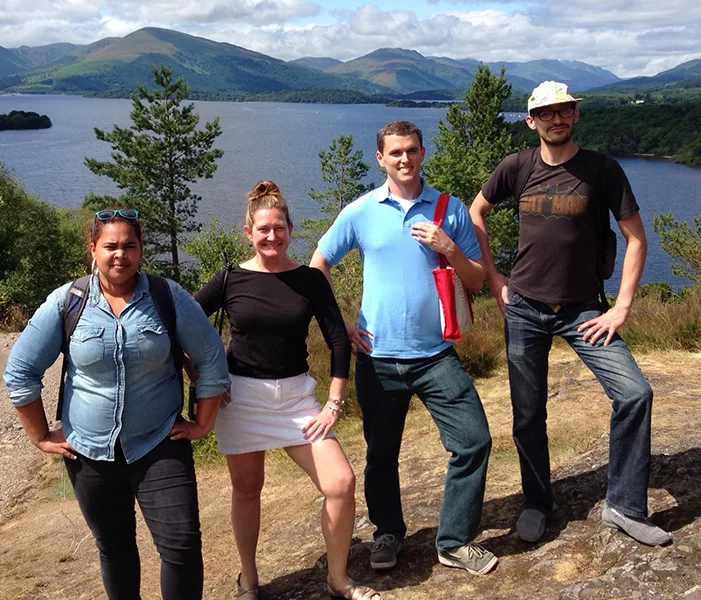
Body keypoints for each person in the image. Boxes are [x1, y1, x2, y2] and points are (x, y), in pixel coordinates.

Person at [468, 81, 670, 546]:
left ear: (575, 116)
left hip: (583, 311)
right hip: (523, 308)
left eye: (565, 111)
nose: (556, 119)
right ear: (531, 120)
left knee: (635, 393)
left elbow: (637, 238)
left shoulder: (601, 169)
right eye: (547, 113)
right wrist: (495, 278)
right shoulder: (516, 166)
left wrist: (621, 307)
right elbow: (476, 212)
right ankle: (537, 502)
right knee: (527, 412)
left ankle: (624, 505)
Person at [3, 209, 230, 600]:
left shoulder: (165, 296)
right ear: (93, 249)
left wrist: (202, 422)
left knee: (181, 546)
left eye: (130, 246)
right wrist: (40, 435)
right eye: (110, 246)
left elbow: (211, 357)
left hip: (158, 442)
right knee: (115, 547)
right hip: (89, 453)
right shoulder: (68, 301)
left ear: (141, 251)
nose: (120, 255)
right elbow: (20, 370)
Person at [310, 121, 498, 575]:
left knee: (474, 441)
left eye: (411, 150)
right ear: (381, 158)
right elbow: (317, 267)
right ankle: (388, 533)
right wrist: (341, 326)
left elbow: (476, 281)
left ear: (422, 152)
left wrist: (450, 248)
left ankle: (452, 541)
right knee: (381, 455)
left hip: (435, 355)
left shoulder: (449, 210)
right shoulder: (360, 211)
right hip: (377, 359)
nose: (404, 159)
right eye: (394, 153)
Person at [195, 181, 380, 600]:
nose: (272, 236)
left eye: (279, 228)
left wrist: (334, 402)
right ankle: (249, 579)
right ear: (248, 233)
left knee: (340, 483)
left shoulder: (310, 280)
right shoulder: (229, 279)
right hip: (240, 399)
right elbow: (185, 322)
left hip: (297, 399)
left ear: (290, 229)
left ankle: (338, 579)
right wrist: (202, 377)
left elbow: (337, 339)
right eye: (263, 230)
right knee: (246, 489)